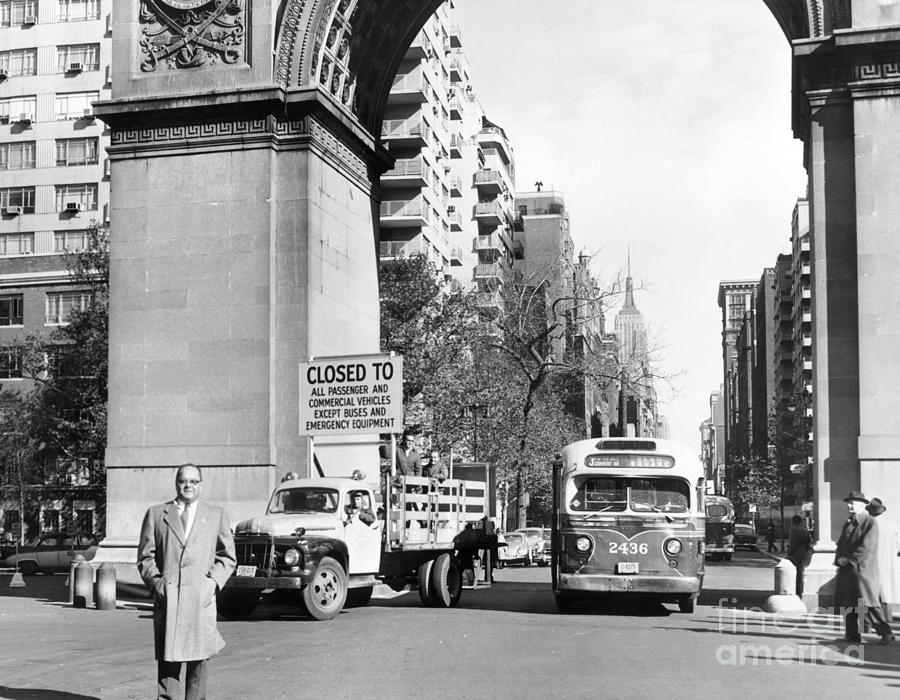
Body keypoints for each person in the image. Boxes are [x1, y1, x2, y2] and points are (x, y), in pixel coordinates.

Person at [137, 464, 237, 700]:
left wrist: (212, 584)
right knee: (168, 667)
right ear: (176, 483)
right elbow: (144, 557)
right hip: (169, 601)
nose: (188, 486)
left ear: (200, 485)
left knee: (198, 667)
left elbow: (228, 557)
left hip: (199, 602)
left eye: (194, 481)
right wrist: (157, 585)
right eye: (183, 481)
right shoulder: (156, 514)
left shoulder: (216, 515)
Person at [833, 490, 894, 645]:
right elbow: (841, 543)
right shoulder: (849, 522)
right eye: (848, 503)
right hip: (848, 569)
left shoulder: (869, 522)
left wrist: (848, 559)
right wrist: (839, 558)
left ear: (862, 505)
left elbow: (867, 546)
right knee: (849, 603)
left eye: (852, 503)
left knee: (868, 603)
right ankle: (852, 635)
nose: (849, 505)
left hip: (862, 570)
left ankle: (886, 633)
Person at [866, 497, 900, 620]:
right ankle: (887, 619)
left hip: (871, 564)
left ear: (869, 512)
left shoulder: (867, 527)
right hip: (888, 565)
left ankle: (869, 623)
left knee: (868, 594)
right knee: (886, 594)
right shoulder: (892, 527)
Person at [786, 515, 812, 596]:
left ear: (793, 521)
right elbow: (809, 541)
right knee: (800, 572)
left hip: (795, 554)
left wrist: (789, 552)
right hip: (803, 553)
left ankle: (796, 591)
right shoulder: (805, 530)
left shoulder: (793, 530)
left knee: (795, 573)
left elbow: (793, 543)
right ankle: (800, 590)